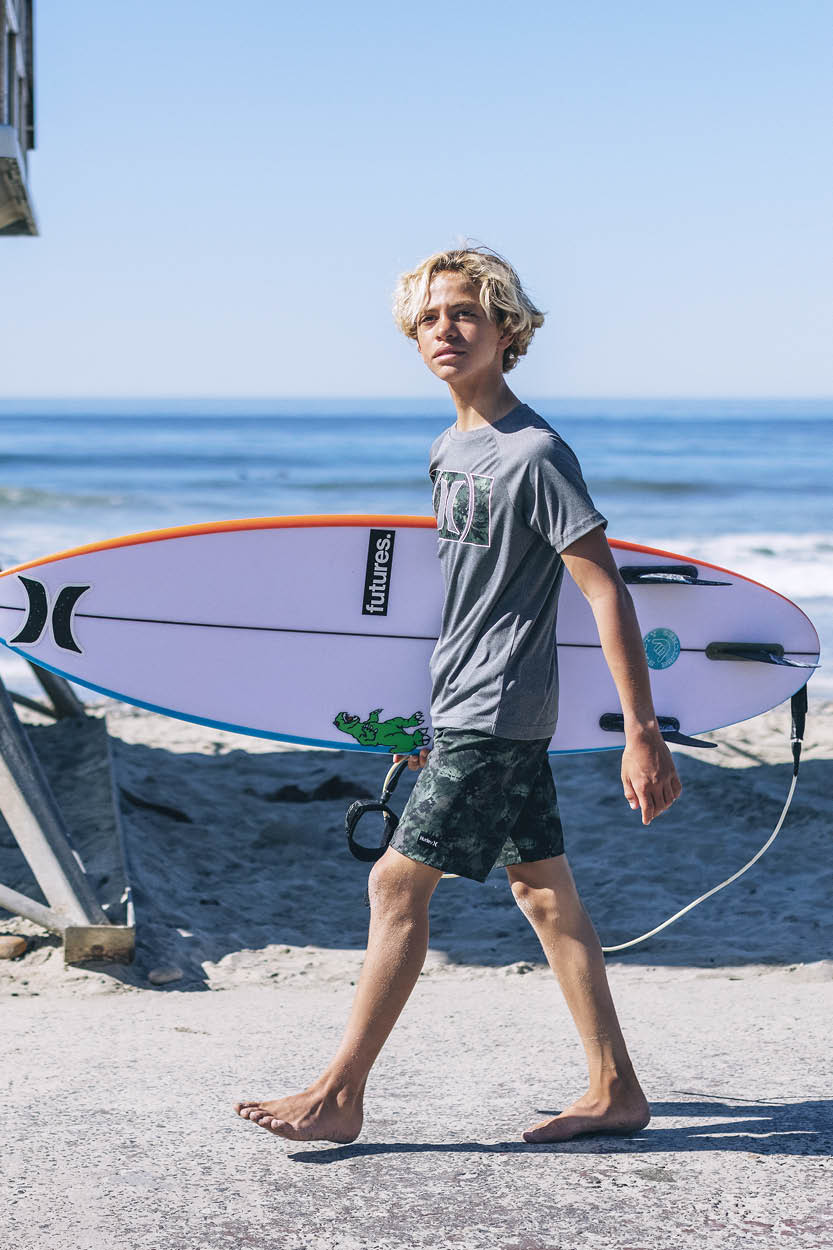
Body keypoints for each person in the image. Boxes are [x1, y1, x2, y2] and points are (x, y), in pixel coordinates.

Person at [236, 246, 681, 1144]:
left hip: (500, 707)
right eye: (431, 317)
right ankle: (615, 1089)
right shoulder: (450, 450)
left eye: (466, 313)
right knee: (542, 893)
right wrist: (429, 718)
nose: (445, 329)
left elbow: (603, 588)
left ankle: (338, 1094)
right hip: (467, 704)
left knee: (395, 883)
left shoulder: (535, 454)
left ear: (507, 331)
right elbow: (468, 599)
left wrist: (642, 730)